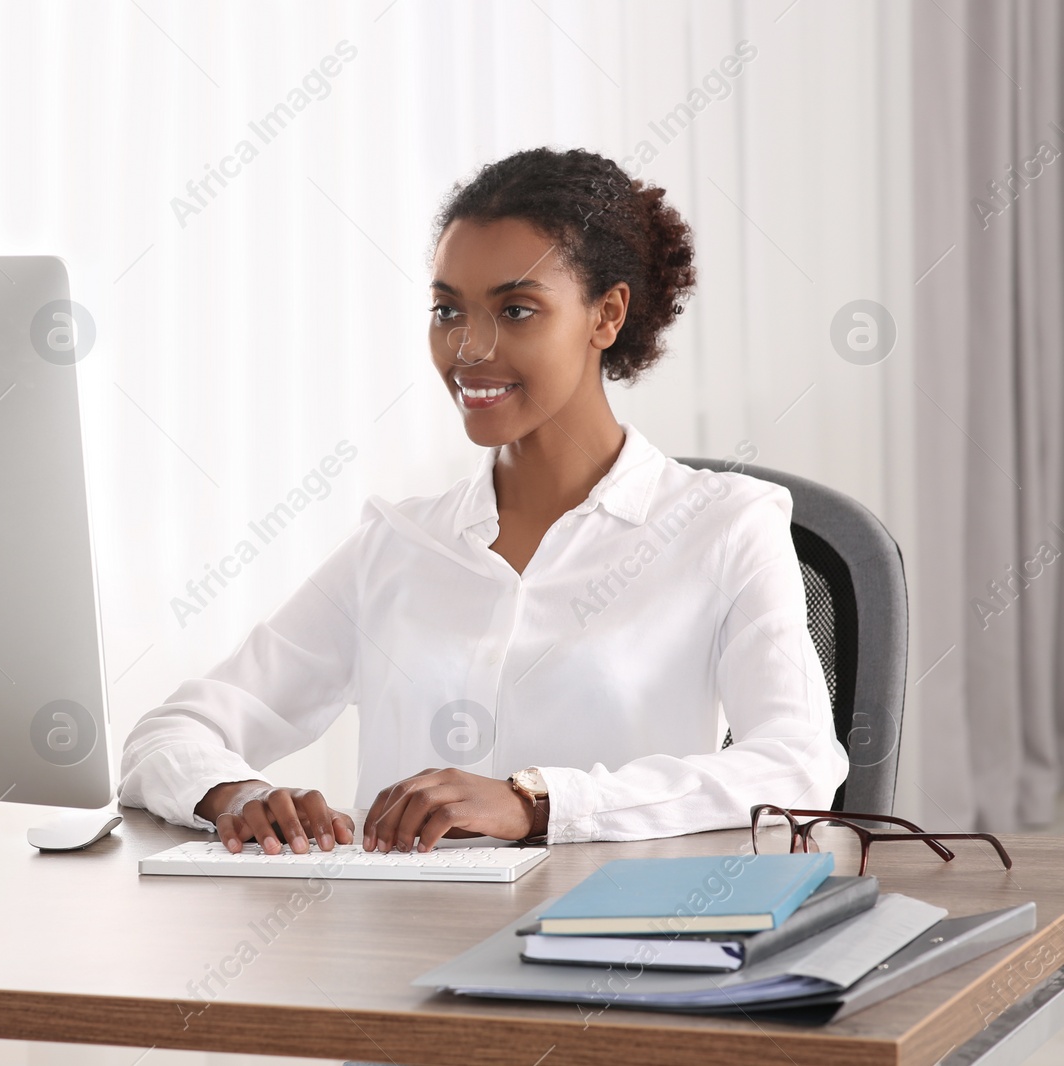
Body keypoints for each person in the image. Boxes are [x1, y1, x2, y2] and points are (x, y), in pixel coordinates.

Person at [118, 146, 849, 856]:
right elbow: (169, 734)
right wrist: (236, 796)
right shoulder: (398, 544)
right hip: (396, 957)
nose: (468, 347)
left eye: (518, 310)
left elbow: (796, 766)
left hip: (613, 950)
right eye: (447, 311)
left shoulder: (724, 524)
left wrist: (538, 803)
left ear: (606, 315)